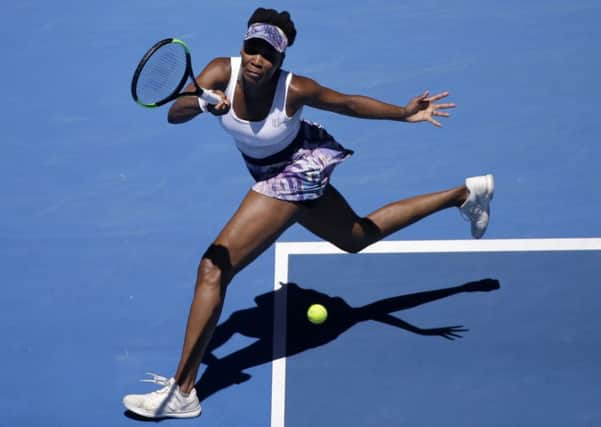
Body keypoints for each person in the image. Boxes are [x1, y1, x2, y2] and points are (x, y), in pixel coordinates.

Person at [123, 7, 494, 419]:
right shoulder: (216, 72)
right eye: (252, 49)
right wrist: (201, 103)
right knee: (356, 237)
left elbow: (349, 104)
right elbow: (175, 114)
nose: (257, 60)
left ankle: (183, 390)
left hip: (294, 170)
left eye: (268, 54)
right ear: (242, 46)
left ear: (281, 60)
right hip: (274, 171)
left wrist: (404, 113)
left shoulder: (294, 89)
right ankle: (463, 195)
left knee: (214, 268)